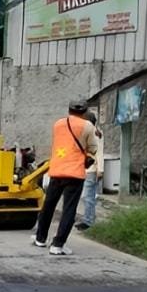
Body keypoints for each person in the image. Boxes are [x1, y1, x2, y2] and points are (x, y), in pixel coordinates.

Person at [32, 100, 98, 255]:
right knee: (69, 209)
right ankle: (58, 244)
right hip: (74, 173)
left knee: (49, 205)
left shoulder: (58, 124)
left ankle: (40, 238)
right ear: (84, 112)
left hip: (57, 170)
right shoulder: (87, 126)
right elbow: (93, 148)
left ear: (69, 110)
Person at [76, 111, 104, 231]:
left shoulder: (94, 133)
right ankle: (88, 219)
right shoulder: (89, 132)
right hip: (86, 169)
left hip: (92, 170)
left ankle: (88, 221)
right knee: (87, 196)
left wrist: (100, 170)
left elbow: (99, 152)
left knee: (88, 197)